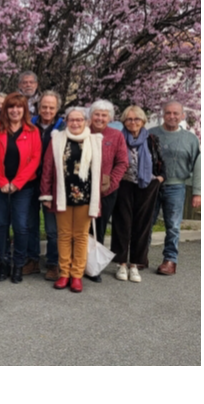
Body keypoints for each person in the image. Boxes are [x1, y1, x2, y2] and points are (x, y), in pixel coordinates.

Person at [39, 107, 102, 293]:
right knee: (64, 235)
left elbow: (98, 171)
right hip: (62, 195)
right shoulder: (57, 139)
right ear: (66, 121)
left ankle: (77, 275)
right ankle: (64, 273)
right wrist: (46, 195)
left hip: (85, 196)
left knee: (81, 236)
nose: (75, 123)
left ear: (86, 122)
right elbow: (48, 168)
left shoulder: (94, 140)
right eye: (71, 120)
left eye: (79, 120)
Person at [0, 93, 42, 283]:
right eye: (11, 107)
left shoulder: (32, 130)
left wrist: (17, 182)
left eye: (19, 107)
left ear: (24, 110)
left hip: (23, 187)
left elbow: (35, 159)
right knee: (1, 224)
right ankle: (2, 263)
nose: (15, 111)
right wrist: (1, 181)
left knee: (20, 226)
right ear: (5, 109)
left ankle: (18, 264)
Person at [112, 105, 165, 282]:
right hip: (124, 184)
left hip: (146, 186)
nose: (133, 122)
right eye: (129, 119)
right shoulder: (119, 138)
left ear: (143, 121)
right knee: (122, 224)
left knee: (142, 226)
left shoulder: (151, 139)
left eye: (136, 119)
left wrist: (159, 179)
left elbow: (160, 161)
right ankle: (121, 263)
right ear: (124, 121)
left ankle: (135, 264)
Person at [149, 101, 201, 276]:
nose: (172, 116)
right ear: (163, 114)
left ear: (182, 116)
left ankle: (170, 260)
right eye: (168, 113)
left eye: (176, 113)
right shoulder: (151, 134)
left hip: (176, 187)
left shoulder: (190, 139)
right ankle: (140, 257)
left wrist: (197, 192)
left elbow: (198, 166)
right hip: (151, 186)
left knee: (173, 226)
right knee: (146, 223)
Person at [22, 91, 66, 281]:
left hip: (52, 184)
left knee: (52, 228)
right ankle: (32, 260)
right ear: (38, 107)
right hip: (29, 181)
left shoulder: (64, 127)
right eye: (44, 107)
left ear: (57, 109)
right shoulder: (28, 124)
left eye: (51, 107)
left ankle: (52, 263)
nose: (47, 110)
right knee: (30, 224)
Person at [86, 99, 129, 282]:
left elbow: (122, 162)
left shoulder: (116, 136)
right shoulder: (83, 132)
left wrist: (111, 184)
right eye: (97, 114)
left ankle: (94, 267)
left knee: (100, 228)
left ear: (109, 118)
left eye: (104, 115)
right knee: (82, 227)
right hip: (83, 189)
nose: (100, 118)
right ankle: (78, 264)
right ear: (91, 115)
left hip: (106, 190)